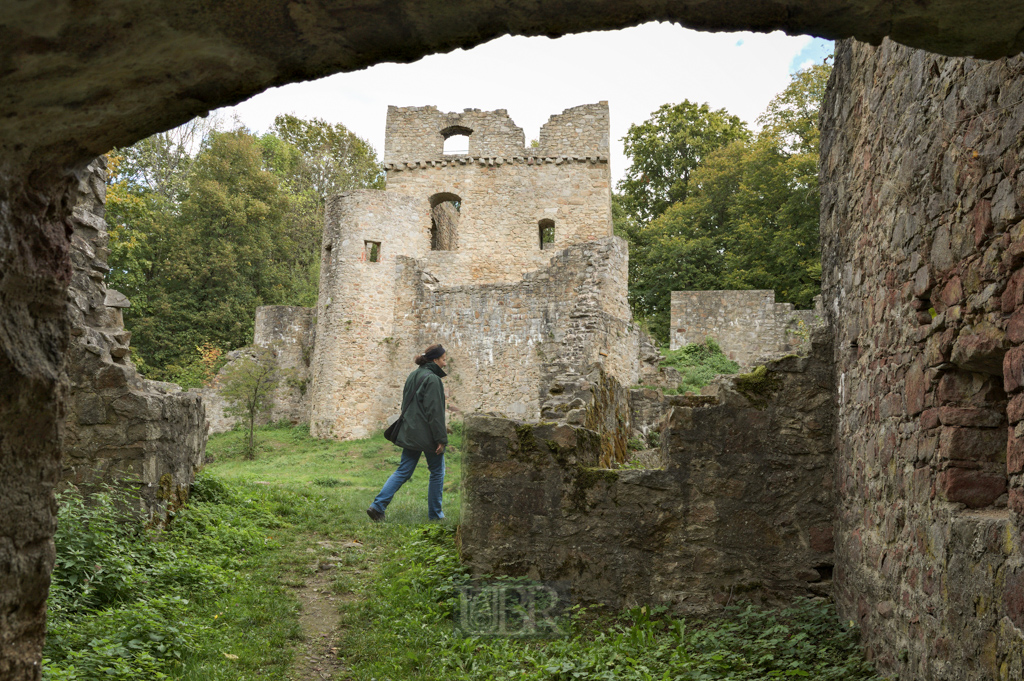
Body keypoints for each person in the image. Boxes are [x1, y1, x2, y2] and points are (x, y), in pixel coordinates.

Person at [367, 344, 448, 522]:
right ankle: (436, 515)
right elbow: (435, 413)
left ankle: (377, 506)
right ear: (435, 360)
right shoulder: (433, 379)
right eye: (443, 359)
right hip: (427, 435)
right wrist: (441, 439)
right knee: (437, 472)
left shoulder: (414, 375)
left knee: (403, 470)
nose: (445, 363)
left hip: (411, 432)